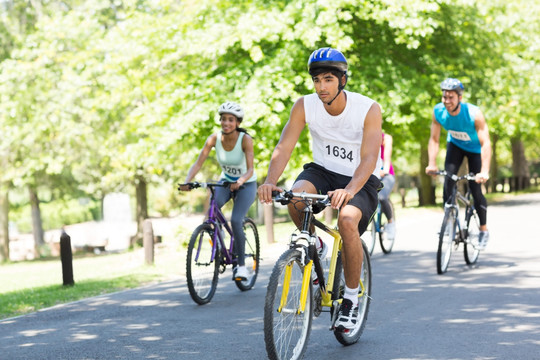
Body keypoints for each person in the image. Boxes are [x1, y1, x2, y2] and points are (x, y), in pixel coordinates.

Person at [257, 47, 382, 332]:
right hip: (323, 170)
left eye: (328, 79)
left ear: (342, 80)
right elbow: (284, 146)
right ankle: (316, 244)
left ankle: (350, 300)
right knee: (296, 198)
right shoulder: (304, 105)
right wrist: (269, 180)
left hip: (359, 178)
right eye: (317, 80)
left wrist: (349, 189)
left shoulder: (368, 108)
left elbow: (369, 158)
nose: (321, 86)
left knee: (347, 220)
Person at [179, 101, 257, 281]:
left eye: (230, 120)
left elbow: (251, 169)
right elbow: (198, 163)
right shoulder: (214, 139)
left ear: (237, 123)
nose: (226, 123)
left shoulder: (245, 140)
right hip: (225, 182)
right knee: (211, 214)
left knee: (237, 220)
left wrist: (241, 180)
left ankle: (242, 268)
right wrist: (187, 181)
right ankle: (219, 239)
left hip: (246, 184)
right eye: (223, 119)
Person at [425, 78, 491, 249]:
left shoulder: (474, 114)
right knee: (448, 181)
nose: (446, 101)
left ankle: (483, 230)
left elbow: (486, 143)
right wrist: (431, 163)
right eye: (444, 97)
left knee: (475, 188)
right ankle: (449, 223)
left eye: (451, 97)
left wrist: (484, 171)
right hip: (455, 145)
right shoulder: (438, 112)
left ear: (460, 98)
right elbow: (434, 139)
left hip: (475, 149)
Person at [379, 132, 396, 240]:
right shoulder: (364, 136)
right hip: (371, 175)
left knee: (382, 197)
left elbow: (387, 157)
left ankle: (390, 223)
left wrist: (384, 169)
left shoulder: (386, 138)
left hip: (386, 175)